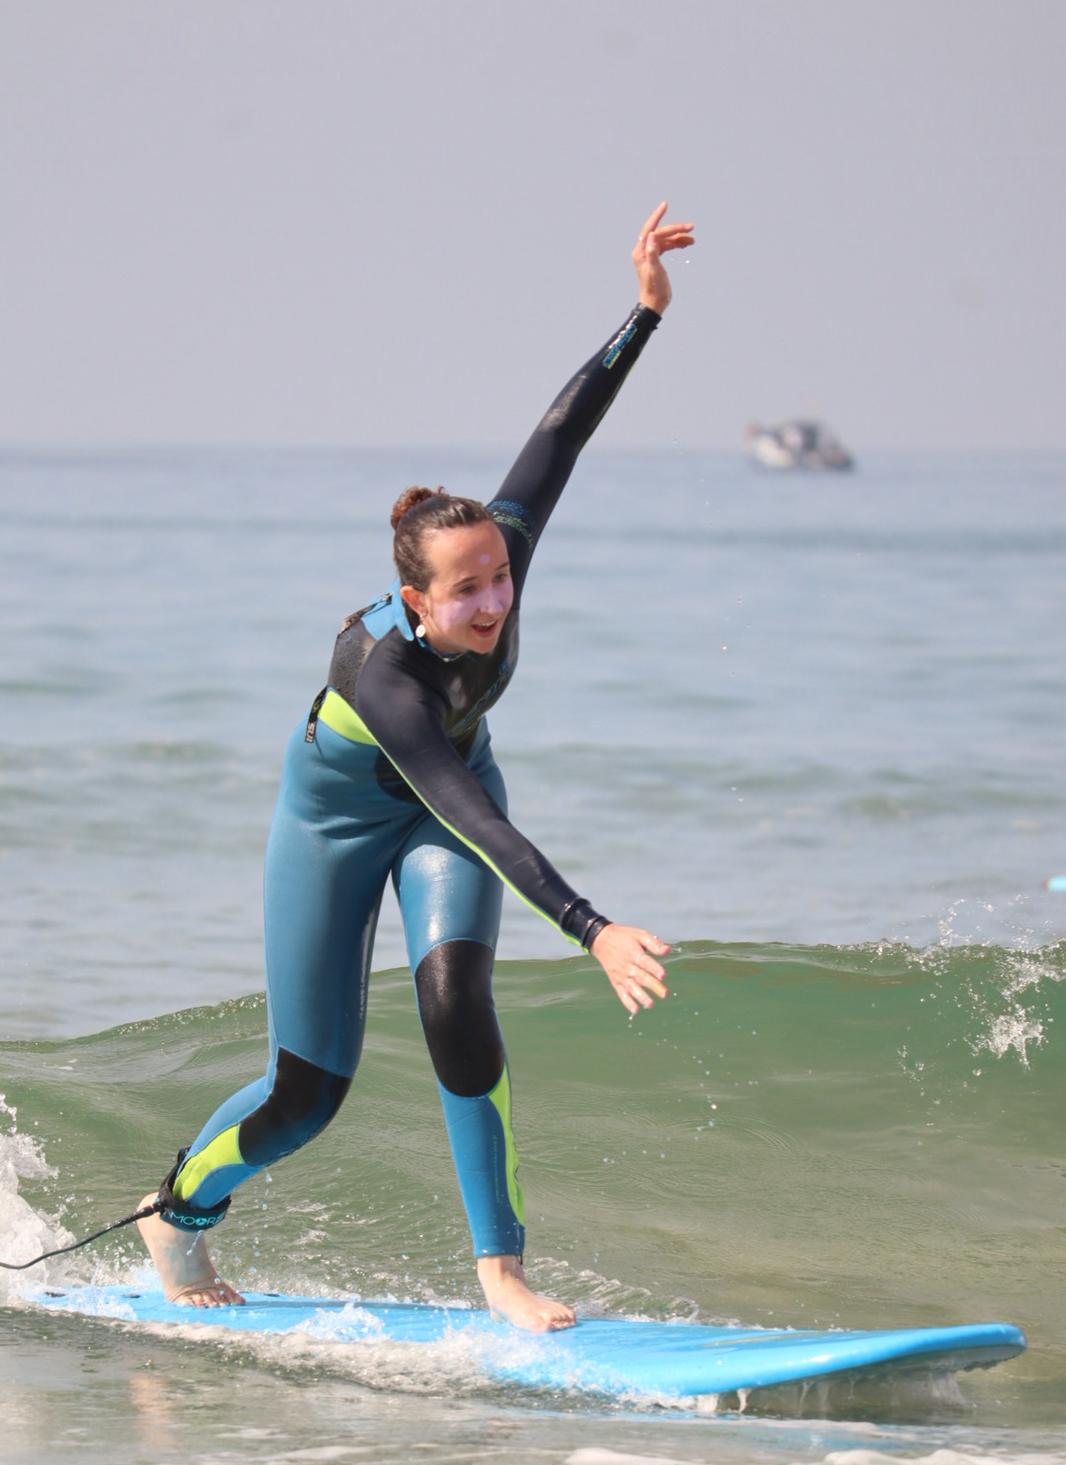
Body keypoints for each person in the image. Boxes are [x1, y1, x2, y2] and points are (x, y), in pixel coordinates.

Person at [138, 202, 696, 1332]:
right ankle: (177, 1209)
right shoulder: (382, 676)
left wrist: (640, 314)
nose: (495, 600)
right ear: (414, 601)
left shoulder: (501, 547)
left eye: (500, 574)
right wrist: (591, 925)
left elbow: (560, 433)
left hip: (447, 811)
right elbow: (464, 805)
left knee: (456, 1001)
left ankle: (500, 1269)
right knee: (308, 1094)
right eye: (467, 590)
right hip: (338, 828)